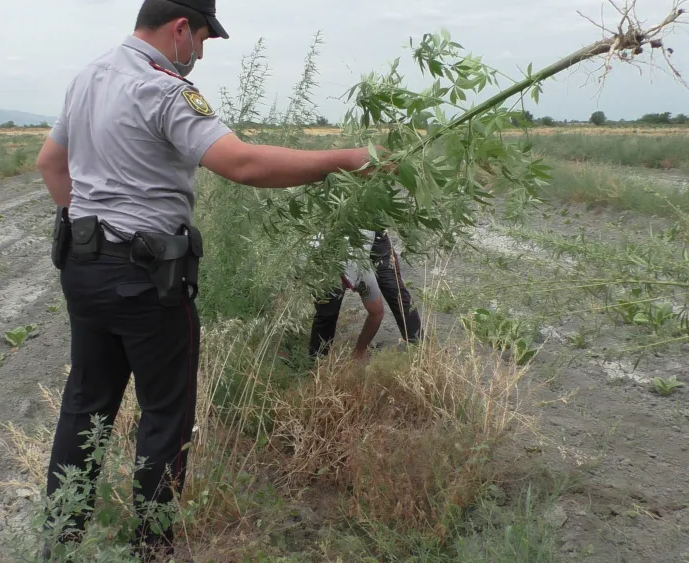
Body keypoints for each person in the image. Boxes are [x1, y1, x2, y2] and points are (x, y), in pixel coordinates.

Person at [34, 0, 383, 558]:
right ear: (180, 29)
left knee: (85, 405)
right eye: (201, 40)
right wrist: (345, 159)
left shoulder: (87, 77)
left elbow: (51, 164)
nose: (199, 52)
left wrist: (94, 233)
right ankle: (152, 548)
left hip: (83, 269)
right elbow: (242, 164)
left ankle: (61, 540)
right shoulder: (164, 89)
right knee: (165, 414)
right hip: (147, 281)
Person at [308, 230, 386, 360]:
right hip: (325, 261)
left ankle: (359, 352)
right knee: (326, 316)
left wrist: (359, 351)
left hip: (357, 260)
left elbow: (377, 313)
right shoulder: (319, 264)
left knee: (377, 311)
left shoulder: (361, 271)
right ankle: (317, 361)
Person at [369, 229, 422, 345]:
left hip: (376, 235)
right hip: (341, 237)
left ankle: (417, 342)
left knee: (393, 288)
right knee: (334, 290)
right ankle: (326, 347)